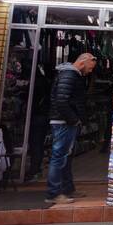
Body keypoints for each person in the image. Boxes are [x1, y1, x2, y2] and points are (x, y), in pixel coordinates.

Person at [45, 52, 97, 206]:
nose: (90, 71)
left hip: (66, 121)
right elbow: (62, 101)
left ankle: (67, 189)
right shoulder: (69, 75)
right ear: (83, 62)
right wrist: (73, 120)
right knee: (59, 156)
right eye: (90, 67)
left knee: (65, 157)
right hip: (63, 122)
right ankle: (53, 193)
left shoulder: (73, 75)